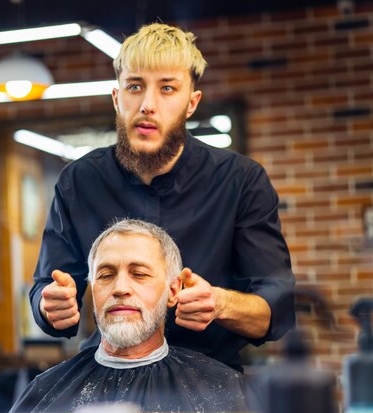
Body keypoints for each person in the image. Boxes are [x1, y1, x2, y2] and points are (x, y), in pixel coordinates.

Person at [30, 22, 295, 372]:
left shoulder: (240, 181)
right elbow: (46, 288)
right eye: (135, 87)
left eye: (167, 88)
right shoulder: (79, 182)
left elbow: (278, 306)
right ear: (116, 97)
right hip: (108, 375)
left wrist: (219, 303)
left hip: (210, 381)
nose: (147, 105)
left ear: (191, 102)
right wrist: (50, 306)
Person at [11, 219, 248, 413]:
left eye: (139, 274)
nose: (120, 288)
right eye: (105, 275)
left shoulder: (221, 389)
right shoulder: (45, 392)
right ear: (92, 290)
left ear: (173, 291)